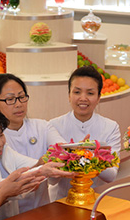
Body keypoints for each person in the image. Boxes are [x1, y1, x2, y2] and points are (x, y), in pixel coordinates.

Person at [0, 107, 73, 220]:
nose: (0, 143)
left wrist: (51, 159)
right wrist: (40, 170)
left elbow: (31, 166)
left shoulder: (4, 150)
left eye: (1, 135)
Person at [49, 66, 121, 200]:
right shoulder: (53, 126)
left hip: (96, 200)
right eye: (77, 92)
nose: (83, 98)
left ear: (99, 97)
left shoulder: (111, 127)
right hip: (61, 200)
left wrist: (89, 154)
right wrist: (76, 154)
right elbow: (51, 181)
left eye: (90, 93)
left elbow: (111, 176)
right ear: (69, 95)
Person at [0, 73, 65, 160]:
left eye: (22, 97)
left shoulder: (42, 126)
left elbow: (63, 150)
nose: (19, 104)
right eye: (10, 99)